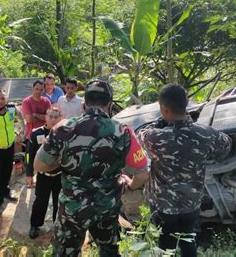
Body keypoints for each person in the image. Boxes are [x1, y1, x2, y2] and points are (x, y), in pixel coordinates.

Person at [34, 80, 149, 256]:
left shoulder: (62, 128)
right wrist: (130, 186)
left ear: (84, 103)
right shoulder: (123, 131)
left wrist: (60, 166)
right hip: (107, 208)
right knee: (109, 252)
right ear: (110, 104)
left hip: (73, 209)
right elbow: (142, 173)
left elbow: (39, 164)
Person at [136, 84, 232, 257]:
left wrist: (159, 124)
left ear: (164, 109)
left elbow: (140, 135)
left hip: (164, 207)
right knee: (189, 240)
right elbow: (225, 146)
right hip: (192, 203)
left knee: (166, 245)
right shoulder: (206, 134)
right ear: (186, 102)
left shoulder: (156, 137)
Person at [27, 107, 62, 239]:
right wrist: (29, 174)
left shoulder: (64, 134)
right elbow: (29, 155)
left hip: (60, 176)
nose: (53, 119)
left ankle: (57, 227)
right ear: (45, 117)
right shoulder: (36, 134)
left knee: (59, 202)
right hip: (43, 176)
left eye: (56, 117)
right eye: (50, 116)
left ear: (60, 118)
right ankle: (35, 225)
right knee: (40, 201)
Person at [21, 79, 51, 147]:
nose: (38, 91)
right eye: (36, 89)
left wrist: (35, 115)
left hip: (43, 134)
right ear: (32, 88)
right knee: (30, 156)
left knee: (41, 155)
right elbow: (29, 119)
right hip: (30, 135)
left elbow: (49, 118)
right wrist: (43, 117)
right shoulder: (26, 101)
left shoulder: (46, 101)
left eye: (41, 90)